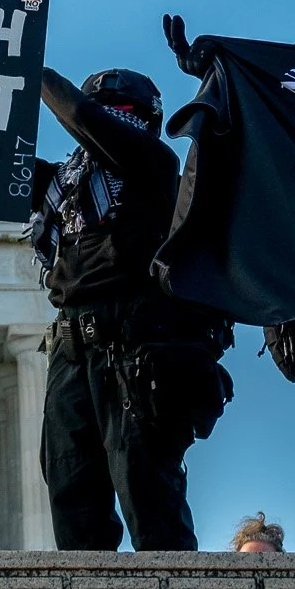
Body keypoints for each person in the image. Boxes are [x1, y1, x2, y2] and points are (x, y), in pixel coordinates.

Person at [30, 66, 232, 552]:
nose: (110, 120)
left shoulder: (154, 165)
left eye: (121, 113)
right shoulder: (62, 185)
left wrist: (30, 66)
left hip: (136, 351)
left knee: (149, 499)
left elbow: (83, 117)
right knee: (71, 499)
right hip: (70, 353)